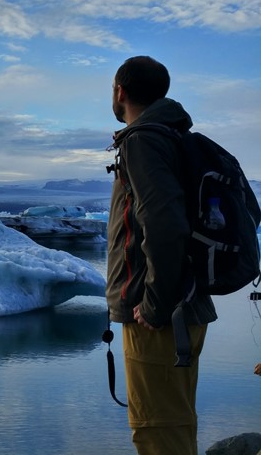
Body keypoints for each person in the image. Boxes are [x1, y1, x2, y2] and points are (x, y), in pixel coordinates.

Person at [106, 56, 217, 455]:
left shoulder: (143, 139)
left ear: (120, 90)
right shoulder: (173, 136)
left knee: (157, 431)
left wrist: (154, 305)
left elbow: (164, 222)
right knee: (174, 422)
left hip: (159, 317)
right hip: (183, 308)